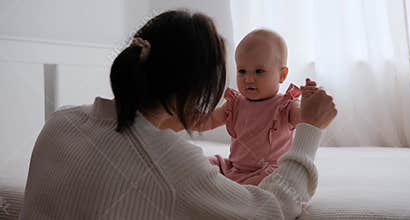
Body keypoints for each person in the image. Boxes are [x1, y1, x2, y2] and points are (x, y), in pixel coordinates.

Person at [20, 10, 337, 220]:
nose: (247, 80)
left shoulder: (59, 123)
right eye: (238, 71)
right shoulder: (174, 166)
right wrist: (310, 129)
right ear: (195, 90)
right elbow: (273, 210)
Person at [173, 29, 311, 185]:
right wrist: (189, 116)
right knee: (201, 164)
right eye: (242, 71)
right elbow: (209, 121)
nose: (249, 79)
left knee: (272, 180)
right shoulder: (235, 104)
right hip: (234, 167)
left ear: (282, 75)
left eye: (259, 71)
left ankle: (236, 191)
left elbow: (307, 121)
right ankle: (227, 186)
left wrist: (309, 104)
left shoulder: (285, 106)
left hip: (267, 170)